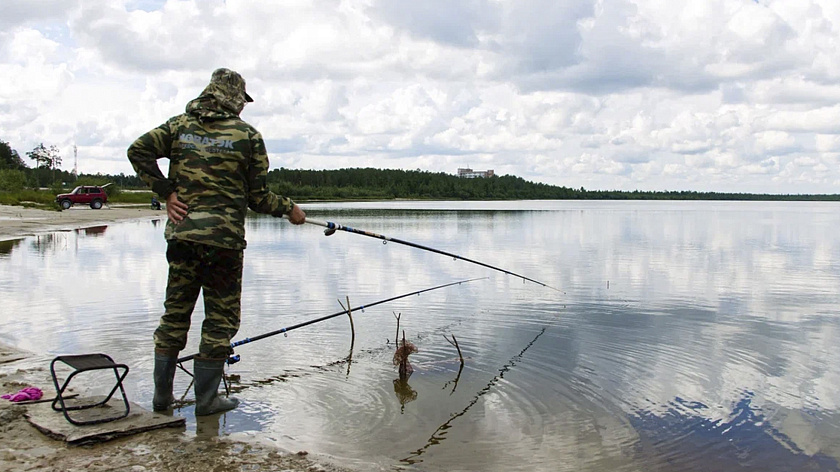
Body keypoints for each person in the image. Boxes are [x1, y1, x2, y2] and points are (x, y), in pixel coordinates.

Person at [127, 68, 306, 416]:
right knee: (220, 320)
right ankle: (207, 402)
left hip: (183, 238)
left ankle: (161, 399)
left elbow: (138, 151)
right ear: (233, 98)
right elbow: (258, 197)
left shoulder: (178, 126)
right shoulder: (247, 136)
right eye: (241, 100)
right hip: (223, 243)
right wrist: (291, 210)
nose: (242, 107)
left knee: (175, 316)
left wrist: (166, 192)